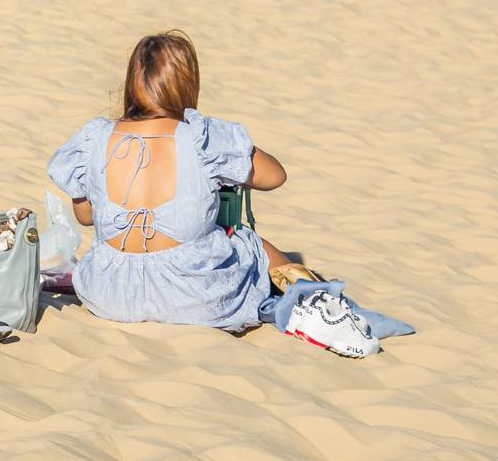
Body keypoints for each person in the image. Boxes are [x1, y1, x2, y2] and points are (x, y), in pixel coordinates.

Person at [47, 31, 306, 335]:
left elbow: (85, 216)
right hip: (191, 296)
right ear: (187, 84)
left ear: (131, 84)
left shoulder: (95, 138)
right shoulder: (201, 138)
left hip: (109, 293)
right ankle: (311, 295)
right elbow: (276, 176)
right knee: (250, 243)